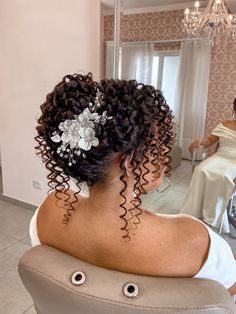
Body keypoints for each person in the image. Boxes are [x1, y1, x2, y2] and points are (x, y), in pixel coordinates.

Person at [31, 73, 236, 296]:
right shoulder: (193, 239)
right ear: (129, 161)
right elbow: (228, 292)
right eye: (157, 146)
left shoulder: (51, 209)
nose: (165, 157)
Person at [180, 98, 236, 233]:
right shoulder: (225, 124)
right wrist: (200, 142)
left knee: (222, 176)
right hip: (220, 157)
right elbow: (211, 139)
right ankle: (193, 212)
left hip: (234, 161)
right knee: (201, 170)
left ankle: (211, 218)